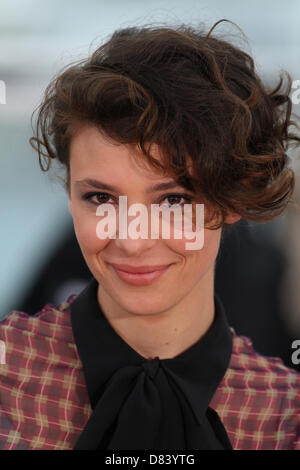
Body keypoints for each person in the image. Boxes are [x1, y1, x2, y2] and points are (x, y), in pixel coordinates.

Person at [0, 20, 299, 451]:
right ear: (68, 196)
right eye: (101, 197)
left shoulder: (286, 418)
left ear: (234, 199)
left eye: (173, 201)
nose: (133, 240)